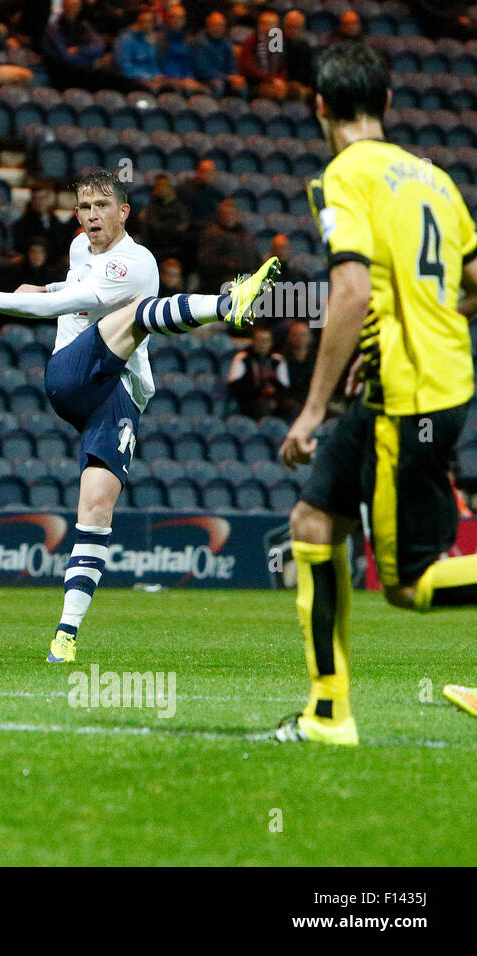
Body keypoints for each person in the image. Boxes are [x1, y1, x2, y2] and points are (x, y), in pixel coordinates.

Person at [0, 169, 280, 664]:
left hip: (118, 397)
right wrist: (44, 287)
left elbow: (78, 299)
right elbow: (74, 290)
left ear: (123, 212)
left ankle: (66, 635)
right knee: (141, 313)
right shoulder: (83, 250)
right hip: (73, 377)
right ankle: (227, 304)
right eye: (83, 207)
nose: (91, 215)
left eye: (101, 206)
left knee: (96, 511)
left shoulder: (136, 262)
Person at [275, 41, 477, 744]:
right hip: (423, 380)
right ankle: (328, 715)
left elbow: (352, 289)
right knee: (313, 523)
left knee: (408, 583)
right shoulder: (435, 178)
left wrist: (311, 408)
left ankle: (328, 714)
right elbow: (473, 283)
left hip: (409, 395)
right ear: (387, 104)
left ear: (320, 105)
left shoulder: (342, 176)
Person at [196, 199, 258, 296]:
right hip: (221, 281)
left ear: (237, 215)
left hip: (247, 277)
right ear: (219, 215)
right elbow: (206, 260)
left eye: (232, 213)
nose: (229, 217)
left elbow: (255, 255)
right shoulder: (212, 233)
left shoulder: (245, 233)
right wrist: (230, 265)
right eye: (225, 213)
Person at [227, 324, 289, 419]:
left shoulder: (278, 360)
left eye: (266, 340)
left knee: (291, 407)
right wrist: (260, 391)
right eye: (260, 340)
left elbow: (284, 386)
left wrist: (274, 397)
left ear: (271, 343)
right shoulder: (242, 357)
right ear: (253, 341)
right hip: (250, 399)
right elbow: (234, 385)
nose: (263, 343)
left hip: (274, 399)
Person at [189, 11, 246, 99]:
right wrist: (228, 77)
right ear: (208, 25)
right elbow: (203, 71)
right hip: (203, 79)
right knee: (218, 84)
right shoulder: (199, 42)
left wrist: (236, 77)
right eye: (214, 25)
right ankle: (216, 111)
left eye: (221, 25)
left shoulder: (226, 41)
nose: (217, 28)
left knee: (241, 85)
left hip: (224, 77)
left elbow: (231, 65)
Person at [238, 8, 291, 101]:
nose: (269, 27)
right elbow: (248, 68)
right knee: (279, 93)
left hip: (275, 82)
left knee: (295, 91)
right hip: (256, 82)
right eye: (266, 23)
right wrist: (271, 80)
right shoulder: (252, 41)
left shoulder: (278, 41)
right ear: (260, 25)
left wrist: (280, 80)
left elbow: (283, 66)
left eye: (272, 24)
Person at [279, 320, 314, 419]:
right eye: (296, 335)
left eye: (303, 334)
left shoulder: (317, 358)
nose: (300, 338)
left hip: (311, 399)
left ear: (309, 337)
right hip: (290, 401)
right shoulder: (281, 358)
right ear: (290, 337)